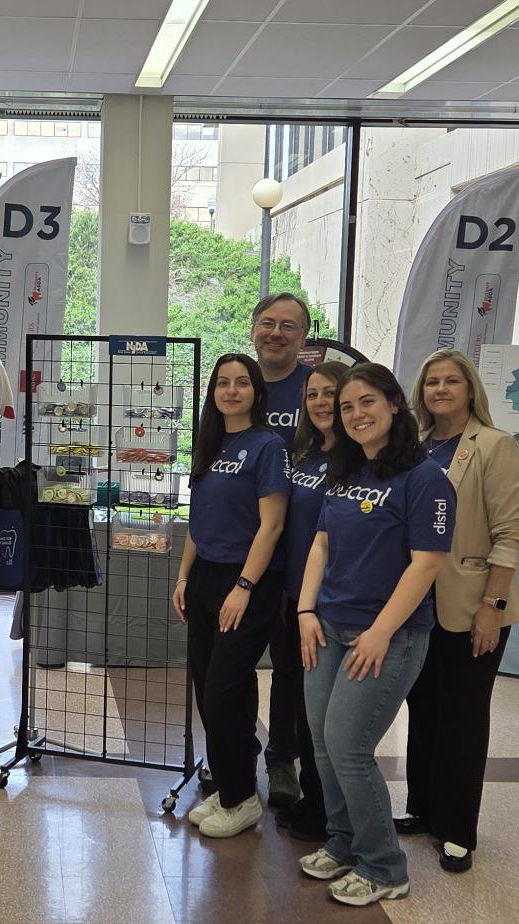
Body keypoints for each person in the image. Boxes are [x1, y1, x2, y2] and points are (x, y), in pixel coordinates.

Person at [293, 363, 454, 907]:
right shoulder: (345, 471)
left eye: (367, 402)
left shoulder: (425, 478)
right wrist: (306, 610)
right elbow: (321, 544)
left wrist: (381, 632)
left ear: (393, 404)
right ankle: (343, 842)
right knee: (322, 744)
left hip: (387, 637)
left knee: (349, 747)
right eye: (347, 407)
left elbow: (427, 564)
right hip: (328, 627)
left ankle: (384, 867)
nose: (356, 414)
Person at [394, 348, 519, 874]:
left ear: (470, 389)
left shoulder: (494, 446)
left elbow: (509, 536)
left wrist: (492, 607)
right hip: (418, 604)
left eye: (452, 381)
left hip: (472, 605)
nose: (441, 390)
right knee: (423, 710)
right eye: (432, 382)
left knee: (463, 718)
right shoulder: (415, 447)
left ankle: (456, 829)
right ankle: (423, 808)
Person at [170, 353, 289, 839]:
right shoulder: (210, 444)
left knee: (225, 691)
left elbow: (272, 525)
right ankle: (227, 786)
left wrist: (244, 586)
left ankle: (242, 799)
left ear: (257, 392)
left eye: (242, 383)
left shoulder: (268, 446)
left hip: (247, 582)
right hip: (204, 577)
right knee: (208, 689)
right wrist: (183, 577)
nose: (231, 391)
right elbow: (199, 522)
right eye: (223, 383)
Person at [272, 360, 349, 842]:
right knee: (303, 703)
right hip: (294, 597)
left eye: (330, 393)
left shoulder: (358, 459)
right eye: (313, 394)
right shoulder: (303, 453)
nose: (321, 402)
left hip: (329, 603)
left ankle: (329, 811)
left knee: (325, 714)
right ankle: (313, 797)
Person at [251, 292, 314, 810]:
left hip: (299, 554)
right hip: (242, 551)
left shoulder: (316, 390)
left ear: (303, 336)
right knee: (232, 662)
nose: (276, 333)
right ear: (254, 329)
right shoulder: (235, 384)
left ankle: (282, 761)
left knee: (292, 667)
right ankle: (232, 751)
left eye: (288, 325)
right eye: (268, 323)